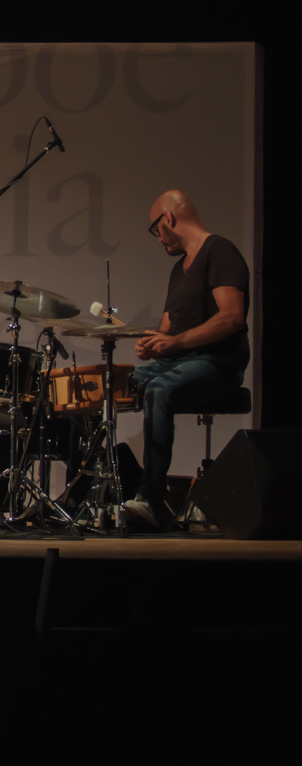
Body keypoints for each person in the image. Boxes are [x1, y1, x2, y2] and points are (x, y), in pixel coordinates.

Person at [126, 189, 249, 531]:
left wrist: (175, 341)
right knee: (109, 385)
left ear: (168, 219)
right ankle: (102, 490)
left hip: (216, 362)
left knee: (159, 389)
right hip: (177, 362)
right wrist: (152, 345)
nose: (159, 239)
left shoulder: (220, 252)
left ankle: (149, 497)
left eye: (156, 229)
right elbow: (168, 328)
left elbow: (232, 318)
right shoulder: (180, 269)